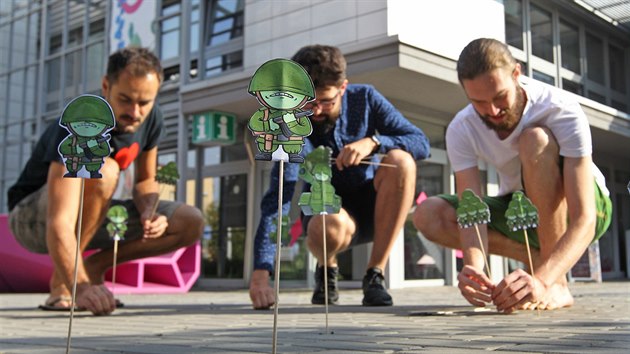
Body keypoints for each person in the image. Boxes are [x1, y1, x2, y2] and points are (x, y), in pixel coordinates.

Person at [413, 38, 612, 313]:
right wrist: (473, 267)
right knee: (428, 214)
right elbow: (472, 211)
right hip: (522, 208)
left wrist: (543, 281)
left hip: (589, 206)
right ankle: (545, 263)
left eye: (499, 97)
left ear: (516, 74)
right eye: (479, 102)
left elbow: (585, 218)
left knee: (534, 140)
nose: (492, 111)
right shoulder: (461, 128)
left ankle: (556, 283)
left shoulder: (561, 108)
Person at [7, 47, 204, 315]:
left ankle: (94, 267)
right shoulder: (80, 123)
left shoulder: (152, 119)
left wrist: (148, 210)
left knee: (190, 222)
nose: (135, 112)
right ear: (105, 85)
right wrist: (81, 287)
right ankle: (65, 284)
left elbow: (145, 180)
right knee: (106, 171)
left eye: (144, 103)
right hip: (32, 219)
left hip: (92, 215)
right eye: (125, 99)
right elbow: (60, 220)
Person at [249, 45, 430, 309]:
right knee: (325, 219)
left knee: (402, 161)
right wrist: (260, 276)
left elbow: (420, 142)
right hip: (327, 217)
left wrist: (375, 142)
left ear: (343, 88)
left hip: (374, 210)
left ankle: (375, 275)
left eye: (326, 102)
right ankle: (327, 268)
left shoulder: (366, 97)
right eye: (307, 103)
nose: (316, 111)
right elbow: (277, 201)